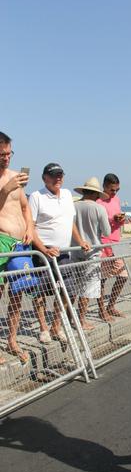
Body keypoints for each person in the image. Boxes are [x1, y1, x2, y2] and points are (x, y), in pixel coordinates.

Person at [29, 163, 91, 343]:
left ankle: (56, 326)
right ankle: (43, 328)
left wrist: (80, 241)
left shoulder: (66, 195)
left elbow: (69, 223)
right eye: (54, 175)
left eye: (60, 175)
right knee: (39, 292)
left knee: (68, 291)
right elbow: (31, 227)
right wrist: (44, 249)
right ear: (44, 178)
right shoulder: (36, 196)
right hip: (42, 252)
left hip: (64, 253)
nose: (58, 179)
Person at [0, 132, 34, 363]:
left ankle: (12, 339)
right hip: (1, 241)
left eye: (9, 153)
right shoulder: (9, 181)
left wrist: (30, 227)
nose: (6, 158)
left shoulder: (16, 178)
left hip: (20, 243)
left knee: (18, 292)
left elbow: (25, 208)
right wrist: (5, 189)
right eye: (2, 154)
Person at [71, 177, 111, 330]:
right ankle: (81, 320)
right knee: (86, 290)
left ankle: (68, 317)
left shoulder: (73, 206)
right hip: (93, 252)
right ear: (96, 194)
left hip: (74, 251)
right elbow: (106, 232)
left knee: (73, 287)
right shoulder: (99, 208)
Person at [97, 173, 127, 320]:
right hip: (103, 242)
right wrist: (111, 219)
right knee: (102, 279)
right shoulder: (98, 201)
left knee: (123, 275)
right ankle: (102, 309)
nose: (114, 193)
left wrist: (121, 219)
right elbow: (97, 224)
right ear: (104, 187)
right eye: (111, 190)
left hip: (117, 241)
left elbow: (117, 220)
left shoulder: (117, 199)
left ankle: (111, 305)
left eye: (116, 190)